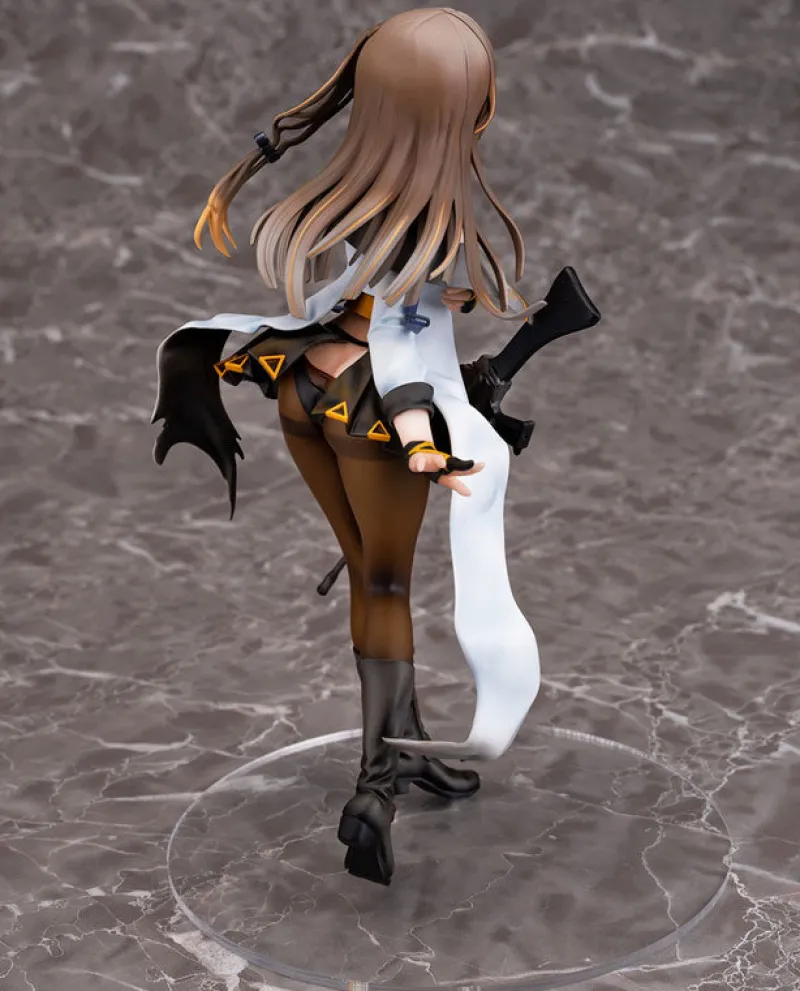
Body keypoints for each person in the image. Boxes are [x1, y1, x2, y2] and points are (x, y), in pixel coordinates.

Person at [152, 7, 542, 886]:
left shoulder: (356, 199)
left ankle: (406, 742)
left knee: (368, 574)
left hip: (305, 388)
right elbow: (404, 348)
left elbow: (364, 304)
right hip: (373, 411)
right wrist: (423, 440)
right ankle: (375, 786)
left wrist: (442, 333)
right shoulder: (430, 220)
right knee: (386, 584)